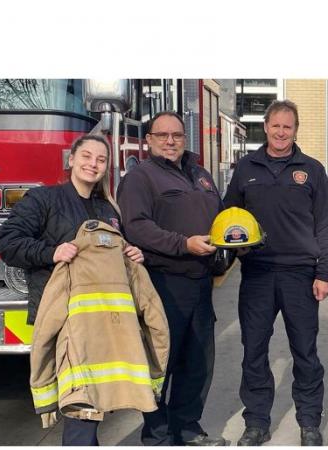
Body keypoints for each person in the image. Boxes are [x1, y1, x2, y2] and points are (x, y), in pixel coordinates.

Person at [0, 135, 146, 445]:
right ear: (71, 160)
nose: (93, 163)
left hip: (102, 323)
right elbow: (8, 242)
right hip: (64, 319)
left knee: (91, 405)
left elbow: (111, 253)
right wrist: (51, 252)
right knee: (82, 405)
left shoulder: (108, 209)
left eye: (101, 160)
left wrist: (130, 252)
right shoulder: (44, 200)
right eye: (87, 156)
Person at [222, 100, 328, 446]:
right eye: (276, 126)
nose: (281, 132)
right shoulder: (246, 168)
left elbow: (326, 226)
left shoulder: (312, 170)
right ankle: (256, 422)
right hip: (257, 274)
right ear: (266, 127)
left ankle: (309, 422)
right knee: (254, 350)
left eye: (288, 126)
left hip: (300, 275)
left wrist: (324, 273)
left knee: (305, 351)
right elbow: (228, 217)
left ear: (295, 130)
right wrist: (234, 249)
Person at [117, 111, 226, 446]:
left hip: (200, 284)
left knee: (197, 362)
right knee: (161, 362)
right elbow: (136, 227)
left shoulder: (201, 175)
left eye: (177, 135)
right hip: (162, 283)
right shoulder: (140, 178)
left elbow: (219, 218)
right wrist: (183, 244)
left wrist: (231, 247)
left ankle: (188, 428)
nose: (170, 141)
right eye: (162, 135)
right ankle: (158, 433)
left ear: (184, 138)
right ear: (149, 140)